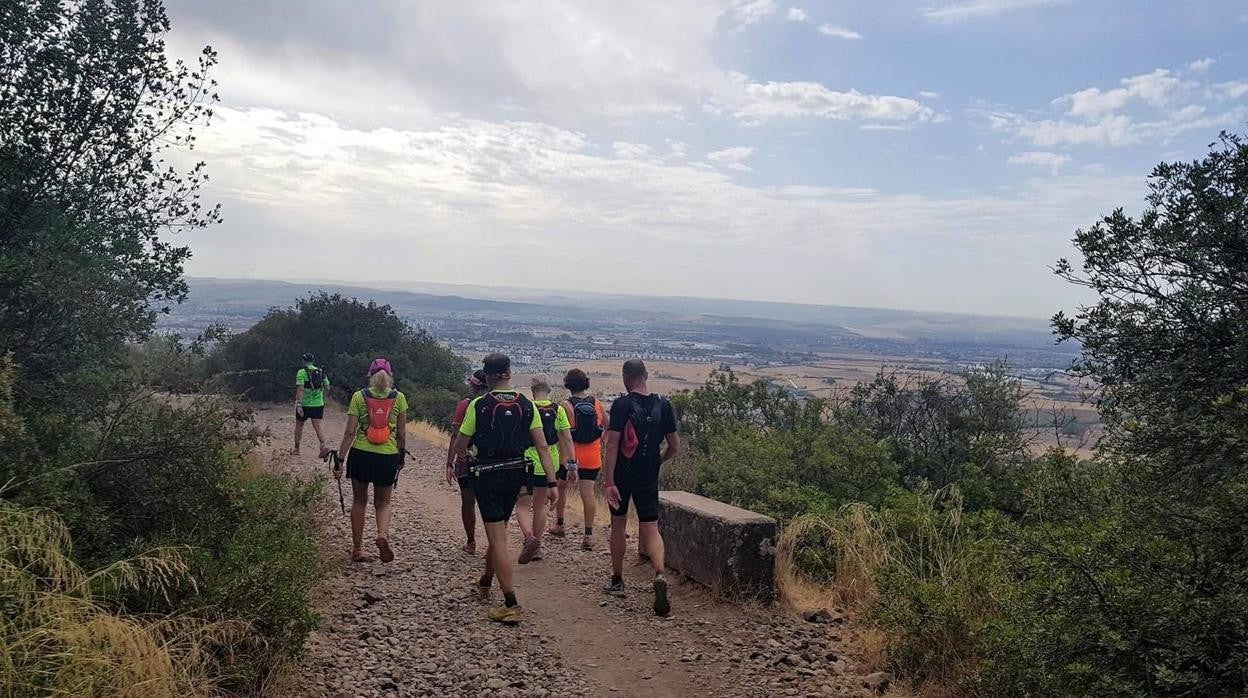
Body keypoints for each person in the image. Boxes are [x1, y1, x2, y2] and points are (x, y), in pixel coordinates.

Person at [449, 353, 557, 625]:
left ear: (486, 376)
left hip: (487, 476)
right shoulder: (527, 405)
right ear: (509, 373)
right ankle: (486, 580)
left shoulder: (478, 404)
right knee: (498, 532)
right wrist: (553, 482)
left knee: (497, 538)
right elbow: (542, 446)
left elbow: (461, 443)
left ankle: (511, 603)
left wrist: (464, 458)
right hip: (518, 476)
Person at [602, 359, 680, 617]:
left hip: (624, 472)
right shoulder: (664, 404)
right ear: (646, 376)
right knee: (650, 527)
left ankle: (617, 580)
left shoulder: (622, 405)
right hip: (649, 471)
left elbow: (612, 445)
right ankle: (659, 573)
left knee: (618, 525)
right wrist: (659, 459)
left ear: (626, 378)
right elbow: (674, 445)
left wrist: (609, 480)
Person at [331, 358, 407, 564]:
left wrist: (340, 458)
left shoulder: (359, 396)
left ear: (370, 375)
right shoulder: (399, 398)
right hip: (387, 455)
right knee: (383, 502)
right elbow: (401, 434)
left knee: (359, 501)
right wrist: (400, 457)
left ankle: (357, 549)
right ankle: (382, 534)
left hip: (361, 453)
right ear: (390, 376)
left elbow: (349, 432)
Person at [513, 374, 575, 564]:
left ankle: (528, 537)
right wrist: (572, 465)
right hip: (550, 462)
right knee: (540, 505)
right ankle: (537, 547)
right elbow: (566, 438)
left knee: (522, 504)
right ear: (548, 390)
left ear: (533, 391)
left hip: (526, 461)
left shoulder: (525, 408)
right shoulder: (558, 410)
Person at [556, 368, 606, 550]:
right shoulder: (597, 404)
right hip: (592, 458)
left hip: (569, 458)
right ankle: (588, 535)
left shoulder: (564, 406)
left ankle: (560, 524)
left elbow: (559, 432)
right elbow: (607, 426)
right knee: (588, 494)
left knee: (561, 488)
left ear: (568, 385)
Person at [446, 370, 489, 554]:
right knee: (489, 503)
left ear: (474, 385)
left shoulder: (466, 404)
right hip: (490, 460)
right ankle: (494, 543)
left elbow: (456, 436)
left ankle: (471, 542)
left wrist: (450, 462)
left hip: (467, 459)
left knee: (468, 502)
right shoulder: (495, 405)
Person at [294, 352, 330, 455]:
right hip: (318, 404)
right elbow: (327, 387)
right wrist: (323, 397)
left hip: (304, 404)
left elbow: (300, 388)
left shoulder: (301, 372)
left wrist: (299, 404)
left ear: (303, 361)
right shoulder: (320, 371)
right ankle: (323, 445)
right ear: (313, 361)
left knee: (299, 425)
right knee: (317, 426)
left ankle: (297, 449)